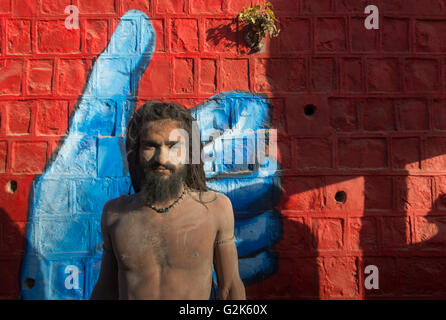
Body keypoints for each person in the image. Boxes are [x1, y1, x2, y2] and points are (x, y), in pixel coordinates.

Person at [90, 101, 246, 300]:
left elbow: (230, 287)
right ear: (137, 152)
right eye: (150, 146)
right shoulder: (114, 214)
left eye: (173, 146)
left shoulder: (216, 208)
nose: (162, 158)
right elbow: (105, 291)